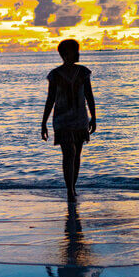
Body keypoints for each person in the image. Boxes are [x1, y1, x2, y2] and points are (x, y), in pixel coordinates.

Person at [41, 39, 96, 202]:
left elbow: (89, 96)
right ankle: (69, 190)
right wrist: (43, 123)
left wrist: (93, 117)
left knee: (77, 154)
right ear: (65, 54)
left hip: (80, 118)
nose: (78, 54)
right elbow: (50, 99)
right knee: (68, 154)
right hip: (62, 119)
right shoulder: (55, 75)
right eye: (76, 51)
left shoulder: (83, 72)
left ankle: (73, 187)